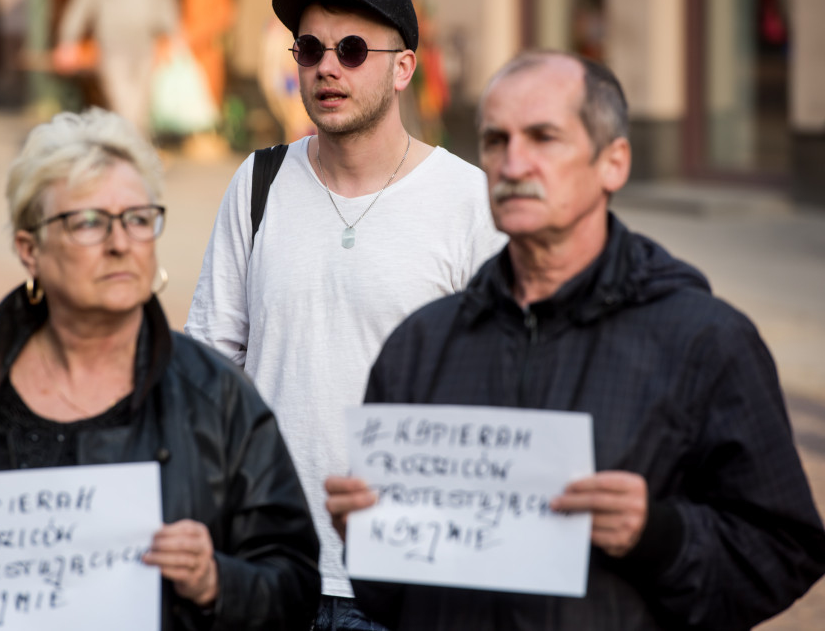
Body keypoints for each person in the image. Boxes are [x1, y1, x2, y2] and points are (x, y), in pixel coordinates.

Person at [325, 50, 825, 630]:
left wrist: (658, 535)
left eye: (544, 138)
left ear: (613, 163)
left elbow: (785, 551)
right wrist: (370, 536)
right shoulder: (420, 345)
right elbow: (389, 598)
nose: (514, 163)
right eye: (496, 141)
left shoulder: (704, 342)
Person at [0, 107, 321, 630]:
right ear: (30, 249)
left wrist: (217, 582)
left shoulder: (216, 398)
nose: (120, 242)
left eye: (138, 218)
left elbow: (294, 585)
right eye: (88, 222)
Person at [185, 0, 505, 630]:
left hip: (404, 575)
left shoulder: (468, 201)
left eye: (353, 50)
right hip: (267, 562)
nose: (328, 67)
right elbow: (209, 367)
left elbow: (505, 389)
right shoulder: (257, 181)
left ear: (403, 68)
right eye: (310, 48)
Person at [53, 0, 178, 138]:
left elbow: (164, 1)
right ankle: (134, 153)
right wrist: (68, 39)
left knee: (139, 108)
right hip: (112, 44)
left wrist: (171, 36)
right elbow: (83, 1)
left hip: (145, 45)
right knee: (124, 106)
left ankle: (133, 154)